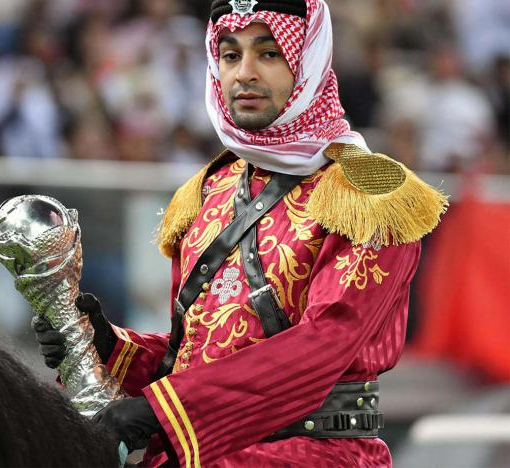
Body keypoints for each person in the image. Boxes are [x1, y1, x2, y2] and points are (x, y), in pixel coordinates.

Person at [34, 0, 447, 466]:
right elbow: (192, 356)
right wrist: (113, 349)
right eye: (230, 55)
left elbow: (322, 348)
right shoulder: (208, 188)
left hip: (314, 455)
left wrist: (158, 412)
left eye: (269, 54)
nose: (244, 73)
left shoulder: (371, 192)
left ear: (309, 61)